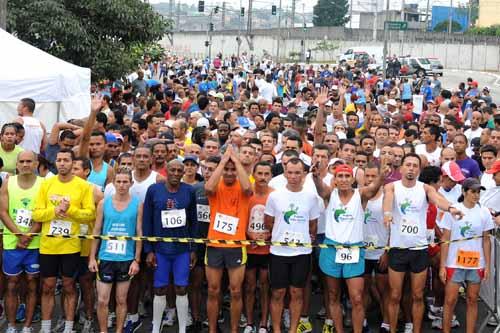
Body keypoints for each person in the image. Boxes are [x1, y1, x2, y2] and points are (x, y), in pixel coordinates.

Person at [383, 153, 464, 333]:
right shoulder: (392, 187)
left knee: (418, 295)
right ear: (402, 168)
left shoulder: (425, 188)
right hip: (398, 249)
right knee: (395, 295)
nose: (411, 168)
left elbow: (438, 199)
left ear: (419, 169)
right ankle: (393, 329)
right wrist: (387, 214)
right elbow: (388, 200)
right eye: (408, 164)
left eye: (415, 166)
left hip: (419, 249)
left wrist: (450, 208)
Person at [313, 161, 388, 333]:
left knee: (357, 298)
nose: (344, 179)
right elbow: (319, 187)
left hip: (354, 251)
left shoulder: (360, 195)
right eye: (340, 176)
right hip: (332, 250)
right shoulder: (329, 195)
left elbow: (374, 188)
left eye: (347, 176)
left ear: (353, 179)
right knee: (333, 296)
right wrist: (316, 176)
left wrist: (382, 175)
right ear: (335, 179)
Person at [33, 149, 96, 333]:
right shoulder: (46, 184)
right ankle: (45, 328)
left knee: (69, 286)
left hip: (71, 246)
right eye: (59, 160)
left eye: (66, 160)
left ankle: (68, 327)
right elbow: (36, 213)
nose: (61, 163)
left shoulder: (83, 186)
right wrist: (55, 211)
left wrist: (70, 211)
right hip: (48, 245)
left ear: (72, 163)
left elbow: (90, 214)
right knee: (47, 286)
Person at [264, 158, 320, 333]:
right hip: (279, 251)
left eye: (298, 173)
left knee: (297, 293)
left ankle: (293, 329)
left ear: (304, 174)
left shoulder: (311, 197)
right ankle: (277, 329)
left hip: (301, 253)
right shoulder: (274, 195)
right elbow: (269, 222)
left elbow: (313, 225)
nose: (293, 176)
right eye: (290, 172)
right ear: (284, 173)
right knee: (278, 293)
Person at [143, 160, 197, 333]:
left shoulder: (189, 191)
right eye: (172, 170)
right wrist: (148, 249)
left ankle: (182, 329)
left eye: (178, 170)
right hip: (160, 249)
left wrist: (193, 249)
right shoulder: (154, 190)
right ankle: (155, 328)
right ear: (166, 171)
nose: (175, 173)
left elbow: (194, 222)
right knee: (159, 288)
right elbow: (147, 220)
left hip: (181, 249)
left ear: (183, 173)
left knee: (181, 287)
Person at [204, 145, 252, 333]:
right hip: (215, 244)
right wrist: (223, 160)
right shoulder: (216, 186)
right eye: (227, 170)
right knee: (213, 290)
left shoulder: (244, 186)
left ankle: (233, 330)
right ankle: (213, 329)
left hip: (236, 245)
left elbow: (248, 188)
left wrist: (236, 160)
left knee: (235, 291)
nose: (230, 173)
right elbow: (208, 187)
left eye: (234, 170)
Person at [89, 168, 143, 333]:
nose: (121, 185)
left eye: (125, 182)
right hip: (106, 257)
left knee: (121, 299)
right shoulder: (104, 203)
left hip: (126, 259)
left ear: (131, 183)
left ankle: (119, 330)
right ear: (113, 183)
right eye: (118, 181)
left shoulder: (137, 204)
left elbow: (139, 232)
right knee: (103, 300)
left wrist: (136, 259)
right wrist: (92, 257)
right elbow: (97, 231)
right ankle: (104, 331)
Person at [440, 178, 494, 333]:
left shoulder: (484, 211)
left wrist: (487, 265)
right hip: (454, 262)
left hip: (476, 263)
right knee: (450, 300)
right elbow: (445, 239)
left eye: (478, 192)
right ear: (464, 192)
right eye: (473, 191)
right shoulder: (453, 210)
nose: (476, 195)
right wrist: (442, 266)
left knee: (472, 299)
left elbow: (486, 241)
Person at [0, 151, 42, 333]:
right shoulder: (8, 183)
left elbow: (44, 214)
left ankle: (27, 326)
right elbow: (2, 212)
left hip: (36, 242)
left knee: (32, 283)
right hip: (12, 242)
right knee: (12, 283)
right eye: (22, 161)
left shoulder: (44, 184)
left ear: (36, 164)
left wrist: (28, 236)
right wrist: (19, 235)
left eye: (29, 161)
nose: (25, 164)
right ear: (17, 164)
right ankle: (10, 325)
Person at [243, 161, 273, 333]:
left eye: (266, 174)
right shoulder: (247, 194)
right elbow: (241, 218)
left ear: (270, 176)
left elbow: (279, 221)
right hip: (249, 247)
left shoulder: (274, 195)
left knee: (265, 285)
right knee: (249, 286)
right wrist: (250, 235)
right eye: (259, 173)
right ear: (253, 174)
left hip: (268, 249)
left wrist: (268, 235)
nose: (262, 177)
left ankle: (263, 322)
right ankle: (248, 322)